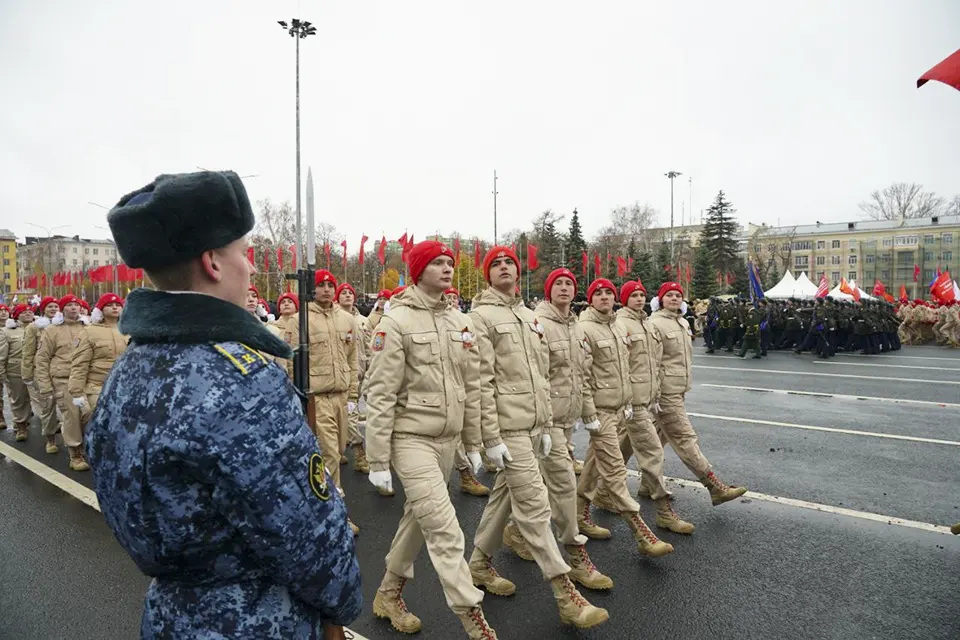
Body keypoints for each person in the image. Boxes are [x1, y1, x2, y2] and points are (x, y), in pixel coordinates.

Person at [86, 170, 361, 638]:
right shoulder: (243, 381)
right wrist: (344, 603)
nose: (251, 267)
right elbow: (307, 540)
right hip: (260, 620)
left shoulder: (127, 372)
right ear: (213, 262)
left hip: (170, 616)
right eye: (244, 253)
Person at [469, 246, 609, 630]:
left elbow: (542, 377)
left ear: (518, 272)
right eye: (495, 264)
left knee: (504, 497)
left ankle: (478, 564)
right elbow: (480, 381)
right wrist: (489, 436)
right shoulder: (479, 318)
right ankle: (566, 591)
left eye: (508, 263)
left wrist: (547, 425)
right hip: (507, 429)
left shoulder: (529, 318)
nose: (503, 268)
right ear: (487, 275)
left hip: (535, 427)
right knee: (533, 505)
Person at [365, 240, 497, 639]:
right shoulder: (397, 323)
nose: (447, 268)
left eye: (450, 263)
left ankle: (388, 595)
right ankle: (473, 618)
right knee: (443, 526)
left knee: (418, 521)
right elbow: (381, 393)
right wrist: (376, 460)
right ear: (418, 270)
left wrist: (472, 443)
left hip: (449, 439)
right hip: (411, 440)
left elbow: (471, 385)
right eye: (437, 263)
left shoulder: (461, 322)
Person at [504, 267, 613, 590]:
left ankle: (498, 544)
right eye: (558, 284)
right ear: (548, 290)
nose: (564, 288)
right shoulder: (538, 324)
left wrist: (589, 413)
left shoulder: (576, 326)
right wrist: (545, 420)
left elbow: (582, 376)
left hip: (566, 420)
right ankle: (574, 551)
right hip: (543, 420)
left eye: (569, 283)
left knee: (509, 492)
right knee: (564, 484)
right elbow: (535, 375)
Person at [575, 278, 675, 557]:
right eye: (599, 293)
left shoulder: (617, 326)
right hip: (600, 411)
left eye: (609, 293)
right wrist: (588, 412)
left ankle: (580, 513)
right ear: (591, 299)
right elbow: (582, 374)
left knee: (596, 463)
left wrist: (629, 400)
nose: (605, 297)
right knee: (616, 470)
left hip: (620, 407)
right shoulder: (584, 329)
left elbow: (625, 369)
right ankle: (641, 532)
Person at [594, 280, 695, 534]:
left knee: (602, 458)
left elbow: (653, 363)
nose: (639, 299)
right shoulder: (617, 325)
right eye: (633, 295)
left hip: (642, 398)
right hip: (622, 401)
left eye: (642, 294)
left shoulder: (646, 324)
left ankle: (592, 499)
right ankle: (661, 513)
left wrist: (656, 393)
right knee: (651, 452)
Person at [649, 282, 748, 507]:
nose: (674, 299)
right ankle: (714, 486)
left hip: (678, 388)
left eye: (678, 295)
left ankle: (643, 483)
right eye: (669, 295)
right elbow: (652, 363)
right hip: (665, 393)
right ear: (660, 299)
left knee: (651, 438)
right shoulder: (655, 324)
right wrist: (654, 394)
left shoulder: (683, 322)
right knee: (684, 438)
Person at [444, 287, 491, 498]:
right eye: (448, 297)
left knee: (466, 430)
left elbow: (473, 357)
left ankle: (467, 468)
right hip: (440, 392)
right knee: (452, 437)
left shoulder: (464, 321)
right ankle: (464, 473)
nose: (452, 300)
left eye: (455, 297)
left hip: (463, 387)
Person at [35, 294, 87, 471]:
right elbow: (42, 359)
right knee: (71, 416)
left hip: (87, 379)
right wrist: (45, 385)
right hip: (63, 379)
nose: (74, 308)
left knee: (88, 414)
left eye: (76, 305)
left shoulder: (88, 327)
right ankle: (75, 454)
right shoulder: (52, 330)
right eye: (69, 305)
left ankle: (87, 447)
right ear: (62, 309)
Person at [68, 293, 127, 425]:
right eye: (109, 305)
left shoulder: (129, 330)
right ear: (100, 310)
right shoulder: (89, 332)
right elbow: (79, 365)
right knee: (100, 422)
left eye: (118, 305)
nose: (114, 308)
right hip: (97, 387)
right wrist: (77, 393)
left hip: (124, 386)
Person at [336, 282, 370, 474]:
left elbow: (368, 346)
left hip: (361, 373)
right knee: (350, 414)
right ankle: (358, 453)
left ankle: (341, 447)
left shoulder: (363, 320)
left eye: (350, 293)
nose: (348, 295)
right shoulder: (337, 319)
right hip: (343, 374)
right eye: (344, 293)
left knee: (349, 414)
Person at [20, 296, 60, 451]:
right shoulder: (34, 327)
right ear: (43, 309)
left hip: (61, 370)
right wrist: (27, 375)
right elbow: (28, 352)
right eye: (50, 306)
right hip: (41, 371)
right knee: (47, 405)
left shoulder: (62, 325)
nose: (53, 309)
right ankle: (50, 439)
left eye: (56, 306)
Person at [1, 304, 33, 440]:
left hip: (36, 369)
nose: (28, 314)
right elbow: (2, 355)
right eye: (24, 312)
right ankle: (20, 426)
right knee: (19, 400)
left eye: (30, 312)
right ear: (17, 315)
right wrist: (2, 373)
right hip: (15, 369)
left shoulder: (40, 328)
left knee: (43, 400)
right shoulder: (7, 331)